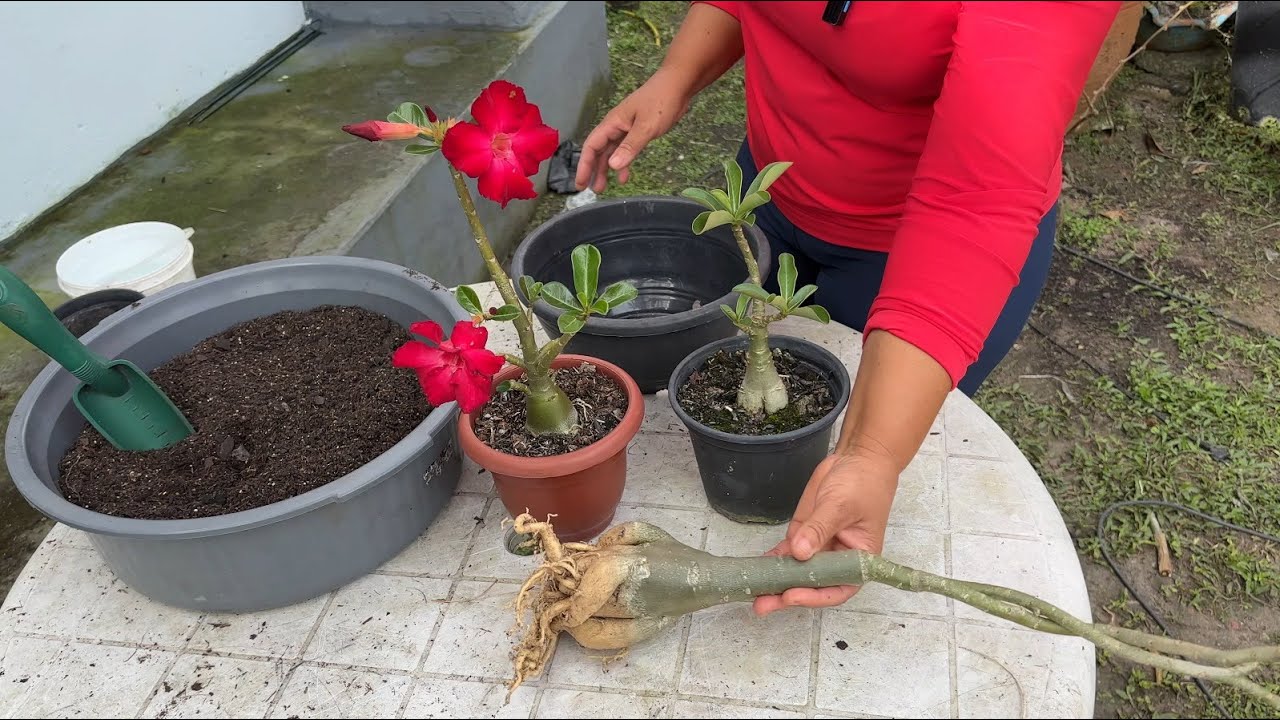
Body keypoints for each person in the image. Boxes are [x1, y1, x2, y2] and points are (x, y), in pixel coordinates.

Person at [573, 1, 1121, 616]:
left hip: (923, 250)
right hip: (766, 190)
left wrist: (871, 454)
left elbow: (978, 195)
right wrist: (678, 72)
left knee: (844, 470)